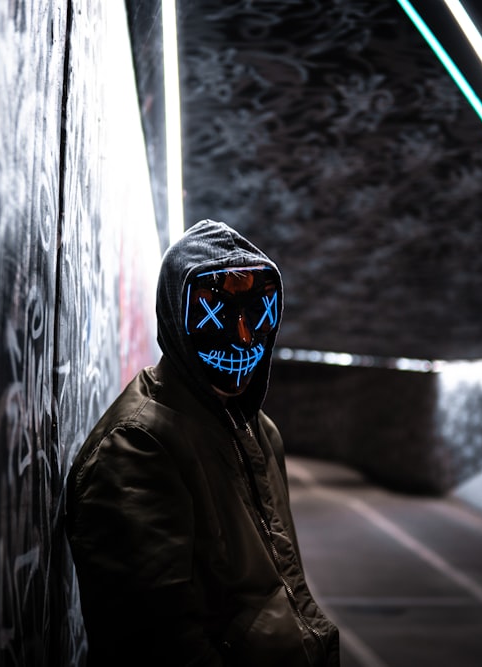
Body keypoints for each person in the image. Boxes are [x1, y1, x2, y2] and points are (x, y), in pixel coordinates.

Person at [66, 220, 340, 665]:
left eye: (256, 314)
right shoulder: (137, 447)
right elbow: (156, 644)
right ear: (177, 315)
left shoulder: (257, 430)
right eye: (217, 315)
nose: (244, 337)